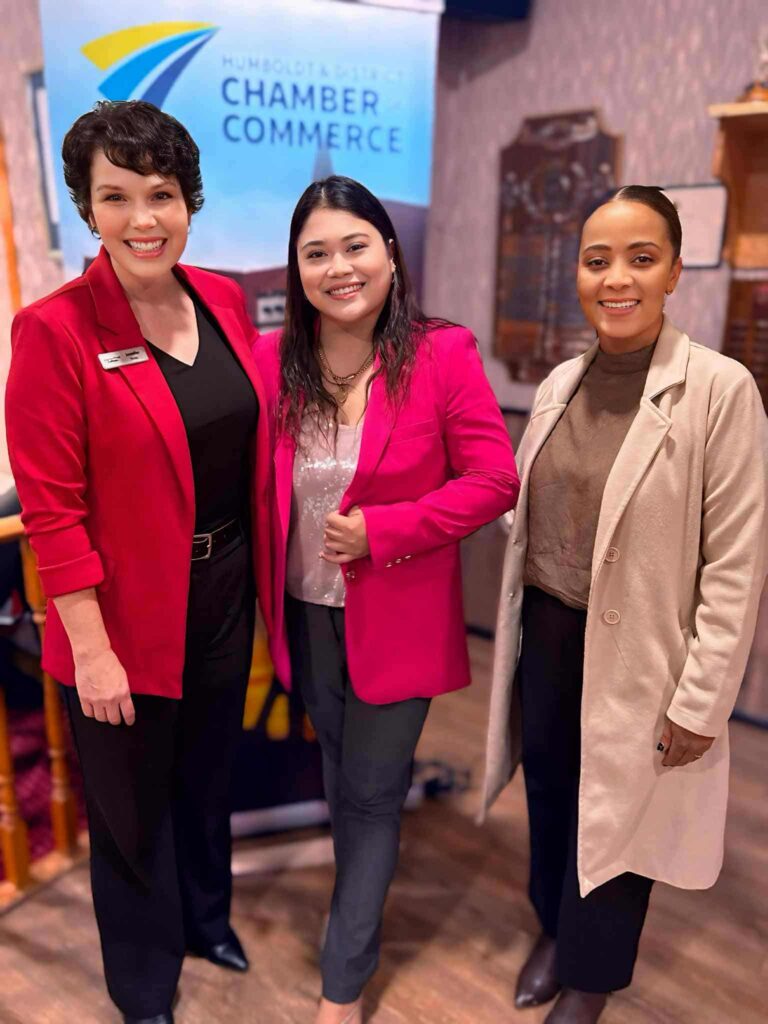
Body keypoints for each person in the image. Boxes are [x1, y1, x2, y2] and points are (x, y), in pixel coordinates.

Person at [5, 100, 273, 1024]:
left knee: (207, 776)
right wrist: (90, 648)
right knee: (128, 810)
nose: (143, 218)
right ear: (87, 207)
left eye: (161, 194)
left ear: (189, 201)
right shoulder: (56, 330)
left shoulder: (224, 300)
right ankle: (146, 983)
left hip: (223, 585)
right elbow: (52, 509)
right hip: (118, 616)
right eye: (116, 197)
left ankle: (208, 921)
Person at [481, 185, 768, 1024]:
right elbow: (542, 509)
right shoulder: (561, 384)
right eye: (597, 259)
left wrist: (703, 700)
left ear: (675, 272)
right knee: (553, 796)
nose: (617, 278)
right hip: (548, 632)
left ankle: (591, 976)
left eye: (641, 259)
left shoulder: (719, 391)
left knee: (620, 813)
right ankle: (551, 930)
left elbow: (736, 565)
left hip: (645, 650)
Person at [252, 175, 519, 1024]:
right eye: (316, 253)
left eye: (355, 245)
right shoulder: (273, 362)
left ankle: (343, 982)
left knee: (369, 794)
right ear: (295, 271)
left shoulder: (443, 353)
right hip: (304, 615)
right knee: (343, 779)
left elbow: (494, 481)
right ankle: (353, 906)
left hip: (397, 620)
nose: (339, 267)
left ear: (391, 256)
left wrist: (388, 529)